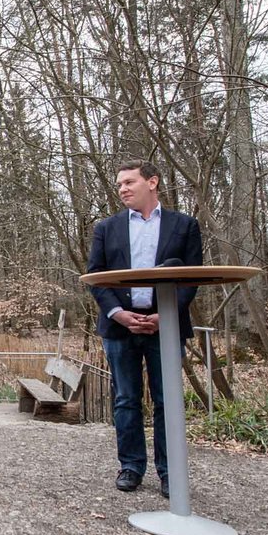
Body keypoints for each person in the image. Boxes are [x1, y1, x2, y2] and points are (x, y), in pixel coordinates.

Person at [87, 160, 202, 499]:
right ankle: (131, 467)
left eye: (129, 182)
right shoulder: (106, 228)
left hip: (165, 325)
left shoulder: (184, 226)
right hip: (120, 326)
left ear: (152, 182)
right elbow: (95, 276)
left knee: (169, 401)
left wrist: (166, 315)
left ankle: (171, 473)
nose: (122, 188)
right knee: (126, 399)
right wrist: (118, 313)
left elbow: (192, 278)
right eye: (119, 183)